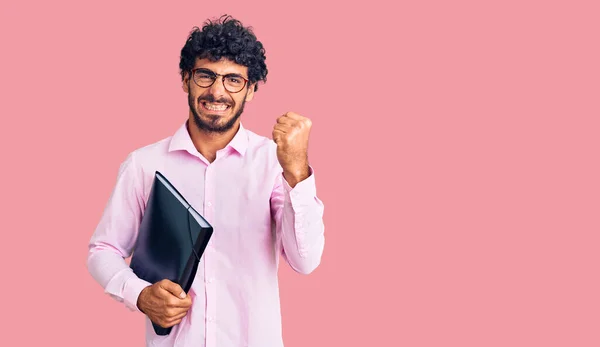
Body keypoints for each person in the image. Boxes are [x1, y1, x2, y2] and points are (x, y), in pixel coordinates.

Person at [86, 15, 325, 347]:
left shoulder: (273, 163)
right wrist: (140, 294)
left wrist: (297, 171)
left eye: (233, 80)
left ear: (252, 90)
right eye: (205, 75)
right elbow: (103, 250)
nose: (217, 91)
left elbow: (305, 260)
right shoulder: (144, 164)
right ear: (185, 80)